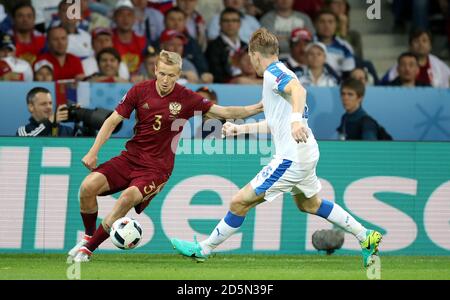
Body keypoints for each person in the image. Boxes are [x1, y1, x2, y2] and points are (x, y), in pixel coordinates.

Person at [171, 28, 382, 268]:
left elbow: (299, 90)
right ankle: (365, 237)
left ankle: (204, 249)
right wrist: (241, 129)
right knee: (309, 204)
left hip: (291, 157)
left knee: (239, 202)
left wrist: (294, 122)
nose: (251, 62)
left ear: (254, 54)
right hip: (305, 152)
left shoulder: (274, 73)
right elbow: (275, 122)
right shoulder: (277, 75)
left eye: (250, 58)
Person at [68, 50, 263, 262]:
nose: (165, 80)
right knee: (87, 187)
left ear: (178, 74)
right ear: (155, 70)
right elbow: (112, 120)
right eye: (162, 74)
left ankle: (87, 250)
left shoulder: (186, 98)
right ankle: (88, 237)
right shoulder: (140, 90)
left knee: (126, 198)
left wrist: (259, 107)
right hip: (130, 158)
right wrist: (93, 151)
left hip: (157, 169)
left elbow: (225, 112)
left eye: (171, 75)